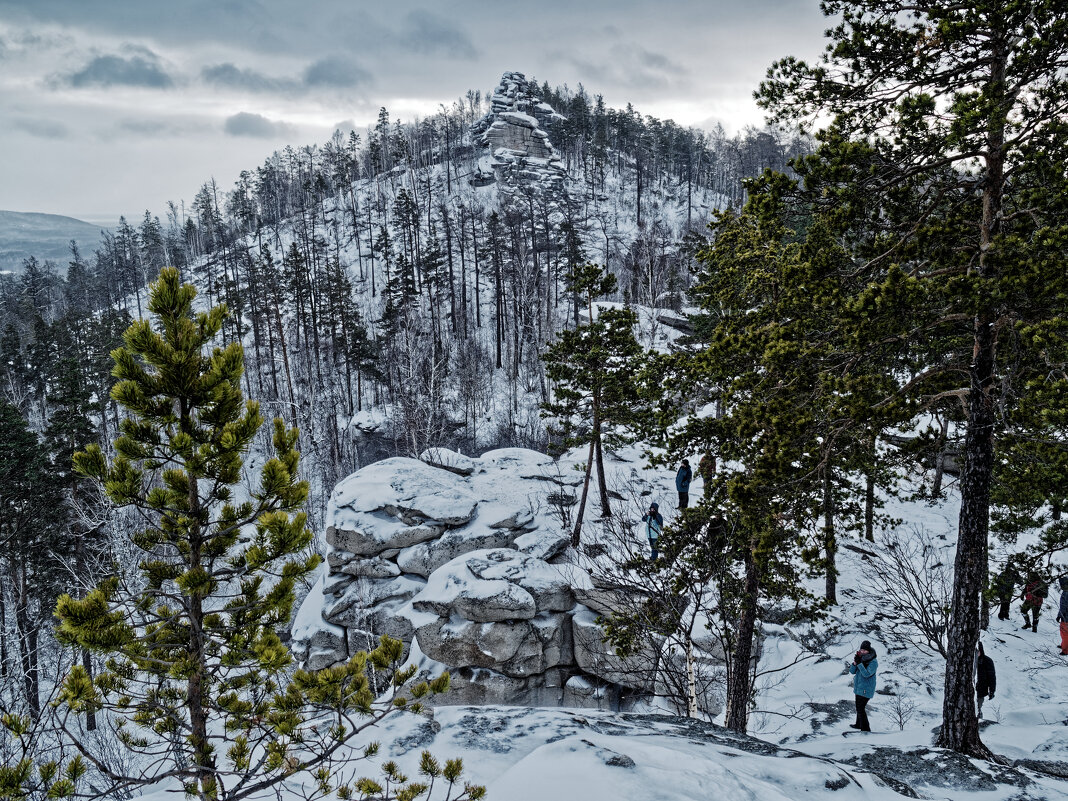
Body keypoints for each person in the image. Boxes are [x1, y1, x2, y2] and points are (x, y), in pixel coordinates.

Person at [846, 640, 878, 732]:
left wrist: (859, 664)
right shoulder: (861, 659)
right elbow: (852, 671)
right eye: (861, 650)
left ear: (869, 651)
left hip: (866, 689)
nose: (862, 652)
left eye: (865, 650)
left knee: (860, 708)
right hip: (859, 688)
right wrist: (855, 663)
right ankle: (858, 724)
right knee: (858, 708)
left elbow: (867, 674)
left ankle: (865, 729)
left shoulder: (873, 662)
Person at [975, 642, 996, 719]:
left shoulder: (987, 661)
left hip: (980, 690)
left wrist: (992, 690)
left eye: (978, 651)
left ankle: (978, 723)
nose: (976, 653)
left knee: (977, 708)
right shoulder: (968, 661)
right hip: (967, 689)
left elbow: (992, 677)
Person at [1056, 576, 1068, 655]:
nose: (1061, 586)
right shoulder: (1065, 591)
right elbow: (1062, 605)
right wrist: (1059, 615)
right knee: (1063, 632)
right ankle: (1064, 645)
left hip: (1066, 617)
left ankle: (1066, 650)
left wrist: (1061, 615)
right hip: (1064, 615)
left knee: (1065, 633)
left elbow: (1065, 606)